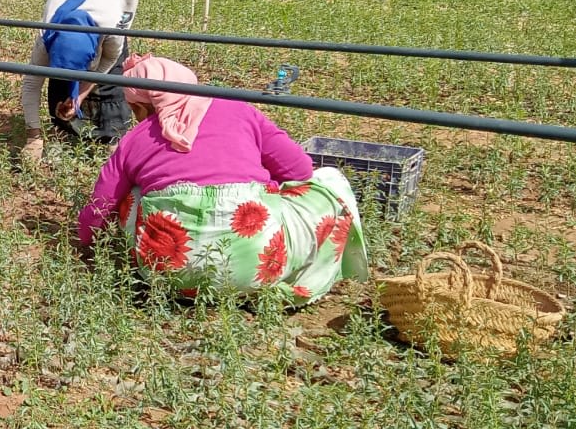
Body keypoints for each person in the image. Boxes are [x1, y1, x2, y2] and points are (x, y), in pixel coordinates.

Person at [76, 55, 368, 305]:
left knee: (132, 194)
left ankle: (182, 282)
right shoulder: (240, 110)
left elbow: (101, 205)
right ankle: (292, 277)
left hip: (166, 271)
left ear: (145, 103)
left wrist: (86, 244)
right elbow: (300, 170)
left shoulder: (135, 139)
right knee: (330, 179)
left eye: (134, 107)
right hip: (259, 266)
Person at [22, 0, 140, 163]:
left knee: (114, 73)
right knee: (61, 80)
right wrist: (33, 136)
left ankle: (112, 134)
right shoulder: (48, 34)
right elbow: (31, 85)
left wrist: (81, 94)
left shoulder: (112, 29)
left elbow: (102, 67)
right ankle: (64, 131)